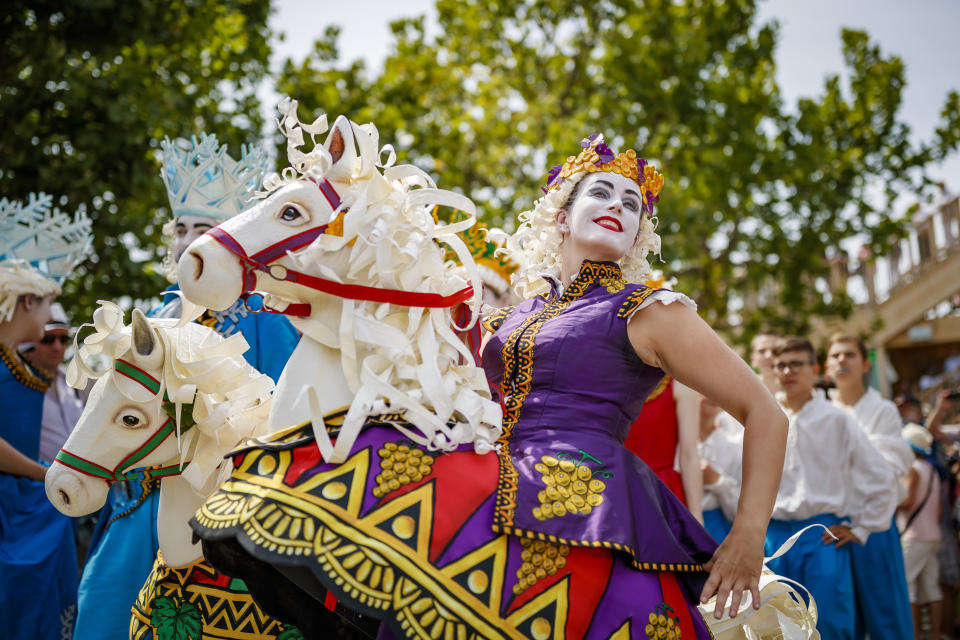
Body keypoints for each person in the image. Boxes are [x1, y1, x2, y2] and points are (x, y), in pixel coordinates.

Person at [187, 131, 790, 638]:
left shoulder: (650, 310)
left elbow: (766, 413)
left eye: (633, 203)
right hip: (492, 480)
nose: (618, 205)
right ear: (562, 215)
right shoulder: (514, 315)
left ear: (639, 233)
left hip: (589, 510)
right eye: (601, 192)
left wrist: (747, 534)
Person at [73, 132, 301, 640]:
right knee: (104, 611)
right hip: (134, 504)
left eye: (205, 228)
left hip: (216, 514)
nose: (186, 239)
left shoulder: (267, 320)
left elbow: (277, 416)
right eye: (180, 227)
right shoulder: (154, 316)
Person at [0, 192, 91, 640]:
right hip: (12, 506)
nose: (54, 332)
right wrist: (43, 474)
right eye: (46, 302)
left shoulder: (14, 363)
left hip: (27, 506)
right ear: (26, 301)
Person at [768, 336, 897, 639]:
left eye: (796, 364)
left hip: (820, 535)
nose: (788, 371)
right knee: (774, 627)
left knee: (829, 623)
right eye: (781, 365)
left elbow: (881, 477)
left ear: (815, 370)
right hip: (772, 537)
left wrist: (863, 528)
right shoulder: (764, 417)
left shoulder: (836, 419)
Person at [825, 333, 914, 640]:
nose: (841, 361)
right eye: (834, 355)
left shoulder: (883, 410)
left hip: (874, 528)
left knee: (887, 619)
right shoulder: (820, 411)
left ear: (865, 364)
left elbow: (887, 472)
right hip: (832, 528)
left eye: (849, 354)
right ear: (824, 368)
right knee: (841, 622)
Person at [20, 303, 86, 464]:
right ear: (29, 342)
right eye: (48, 339)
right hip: (35, 484)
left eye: (63, 339)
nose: (57, 347)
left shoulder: (75, 383)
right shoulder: (16, 384)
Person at [898, 423, 943, 640]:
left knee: (908, 590)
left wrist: (891, 501)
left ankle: (913, 635)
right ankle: (935, 634)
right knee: (932, 588)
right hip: (933, 535)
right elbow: (940, 510)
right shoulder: (932, 470)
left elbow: (908, 502)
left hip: (913, 536)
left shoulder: (912, 468)